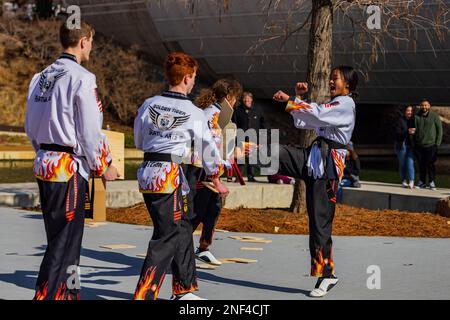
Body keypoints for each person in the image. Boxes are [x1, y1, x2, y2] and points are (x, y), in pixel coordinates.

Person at [25, 20, 120, 300]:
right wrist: (103, 165)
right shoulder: (82, 78)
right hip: (67, 166)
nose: (91, 46)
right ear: (82, 42)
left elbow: (31, 125)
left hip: (45, 161)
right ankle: (46, 296)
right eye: (90, 40)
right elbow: (90, 132)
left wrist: (43, 151)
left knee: (63, 238)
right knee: (65, 240)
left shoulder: (39, 77)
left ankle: (68, 294)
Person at [133, 52, 228, 301]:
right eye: (194, 77)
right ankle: (144, 294)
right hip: (170, 176)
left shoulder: (149, 103)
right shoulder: (193, 111)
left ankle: (183, 288)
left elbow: (139, 140)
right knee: (167, 235)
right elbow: (207, 149)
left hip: (148, 173)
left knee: (181, 226)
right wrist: (216, 175)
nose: (194, 81)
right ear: (186, 78)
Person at [273, 66, 358, 297]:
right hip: (313, 158)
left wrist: (292, 100)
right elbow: (304, 122)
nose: (331, 82)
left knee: (319, 223)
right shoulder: (332, 106)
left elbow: (318, 113)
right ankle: (235, 153)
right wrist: (298, 99)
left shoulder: (345, 105)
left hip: (328, 169)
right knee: (275, 153)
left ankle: (327, 274)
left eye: (336, 79)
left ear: (347, 84)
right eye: (330, 78)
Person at [187, 79, 243, 266]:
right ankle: (179, 248)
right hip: (201, 168)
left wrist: (231, 155)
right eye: (235, 98)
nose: (236, 102)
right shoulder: (210, 114)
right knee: (197, 210)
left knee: (214, 208)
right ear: (229, 97)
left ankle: (203, 248)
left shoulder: (221, 115)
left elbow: (222, 143)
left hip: (212, 168)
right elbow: (208, 143)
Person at [233, 91, 265, 182]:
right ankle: (238, 177)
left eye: (248, 99)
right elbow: (234, 123)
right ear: (243, 100)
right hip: (241, 137)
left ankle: (251, 176)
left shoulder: (258, 109)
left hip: (254, 137)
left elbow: (263, 123)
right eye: (245, 99)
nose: (246, 100)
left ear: (251, 99)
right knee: (241, 158)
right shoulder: (237, 110)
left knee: (252, 158)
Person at [413, 99, 443, 191]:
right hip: (419, 146)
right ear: (420, 106)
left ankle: (432, 182)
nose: (424, 107)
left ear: (429, 106)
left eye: (426, 105)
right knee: (421, 165)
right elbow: (413, 130)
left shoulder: (434, 116)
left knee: (430, 164)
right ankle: (422, 182)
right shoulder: (416, 116)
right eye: (422, 105)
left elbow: (440, 130)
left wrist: (437, 144)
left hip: (431, 145)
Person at [394, 105, 415, 189]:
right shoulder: (400, 121)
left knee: (410, 163)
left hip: (411, 146)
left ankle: (411, 181)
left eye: (411, 111)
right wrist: (407, 131)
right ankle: (403, 181)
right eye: (408, 110)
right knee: (402, 164)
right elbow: (397, 133)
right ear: (404, 112)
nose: (409, 112)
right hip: (401, 146)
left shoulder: (414, 120)